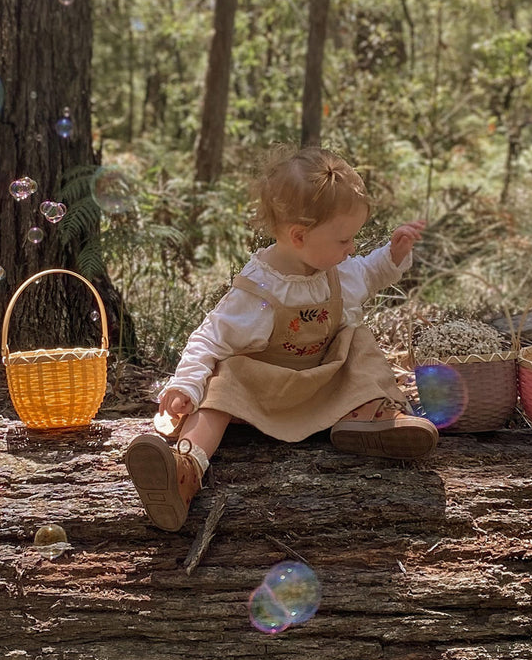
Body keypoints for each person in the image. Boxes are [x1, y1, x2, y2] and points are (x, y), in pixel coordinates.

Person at [125, 146, 437, 531]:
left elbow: (371, 273)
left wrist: (392, 254)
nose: (352, 248)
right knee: (225, 381)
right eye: (344, 240)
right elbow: (210, 338)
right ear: (299, 236)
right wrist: (186, 383)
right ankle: (186, 468)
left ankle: (370, 417)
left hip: (324, 382)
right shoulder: (258, 291)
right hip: (267, 392)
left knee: (358, 342)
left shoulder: (338, 271)